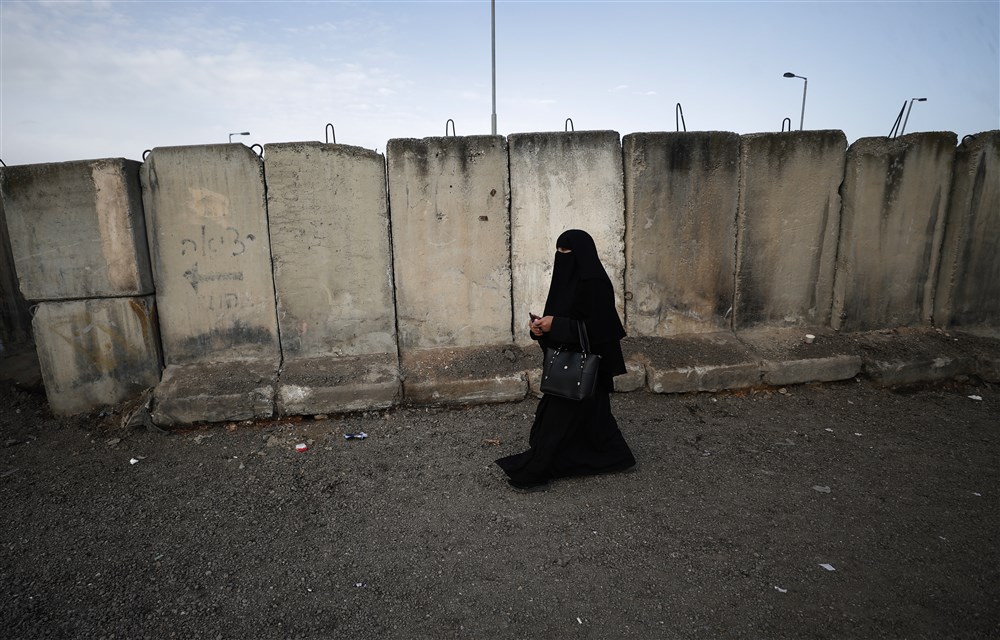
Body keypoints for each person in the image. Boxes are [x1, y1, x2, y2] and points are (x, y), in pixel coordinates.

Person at [496, 229, 636, 491]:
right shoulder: (566, 280)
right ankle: (615, 456)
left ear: (581, 253)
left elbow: (601, 330)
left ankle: (535, 471)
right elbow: (559, 319)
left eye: (567, 251)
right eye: (558, 251)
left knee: (557, 420)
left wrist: (557, 325)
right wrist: (539, 328)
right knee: (595, 418)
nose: (562, 256)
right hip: (570, 364)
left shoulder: (595, 282)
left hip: (586, 366)